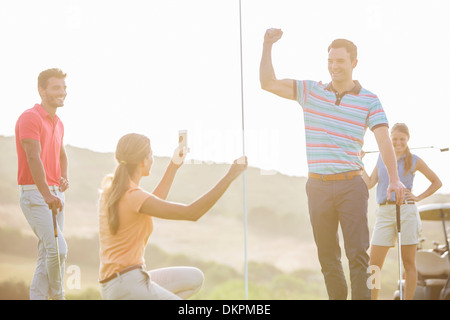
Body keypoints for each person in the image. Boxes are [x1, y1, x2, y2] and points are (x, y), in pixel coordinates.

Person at [259, 28, 405, 300]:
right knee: (327, 257)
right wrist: (267, 45)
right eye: (330, 61)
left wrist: (394, 179)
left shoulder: (369, 100)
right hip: (317, 186)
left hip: (351, 185)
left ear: (354, 63)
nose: (334, 66)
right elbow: (268, 82)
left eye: (340, 61)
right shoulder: (310, 91)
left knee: (358, 255)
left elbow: (384, 140)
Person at [98, 133, 247, 300]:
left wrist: (174, 165)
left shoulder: (114, 193)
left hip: (121, 284)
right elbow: (192, 213)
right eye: (151, 154)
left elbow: (153, 202)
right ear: (143, 161)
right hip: (128, 286)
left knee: (194, 278)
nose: (152, 159)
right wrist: (230, 177)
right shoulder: (133, 195)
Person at [362, 123, 442, 300]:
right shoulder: (381, 158)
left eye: (402, 139)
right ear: (389, 139)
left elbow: (437, 182)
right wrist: (359, 162)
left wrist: (418, 197)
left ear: (408, 140)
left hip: (407, 213)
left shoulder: (414, 160)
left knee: (408, 263)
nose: (398, 142)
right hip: (384, 214)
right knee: (373, 265)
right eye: (395, 139)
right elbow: (368, 183)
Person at [15, 68, 69, 300]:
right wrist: (47, 194)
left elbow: (61, 155)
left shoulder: (58, 122)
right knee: (58, 251)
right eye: (56, 88)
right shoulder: (30, 117)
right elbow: (33, 157)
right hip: (36, 195)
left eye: (64, 88)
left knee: (46, 253)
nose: (62, 92)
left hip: (55, 194)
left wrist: (63, 176)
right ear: (42, 90)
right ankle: (58, 295)